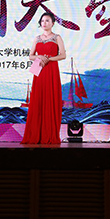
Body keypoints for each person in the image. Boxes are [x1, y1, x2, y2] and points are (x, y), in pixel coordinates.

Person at [21, 12, 66, 145]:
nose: (44, 23)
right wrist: (40, 57)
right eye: (42, 21)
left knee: (50, 99)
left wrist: (49, 59)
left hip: (51, 70)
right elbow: (31, 55)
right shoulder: (37, 38)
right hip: (39, 70)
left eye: (47, 21)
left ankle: (49, 134)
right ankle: (36, 134)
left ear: (53, 23)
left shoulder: (57, 37)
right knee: (38, 100)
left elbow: (63, 55)